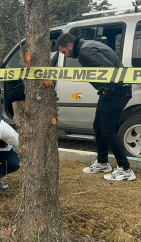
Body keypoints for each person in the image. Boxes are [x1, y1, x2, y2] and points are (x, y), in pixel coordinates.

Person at [56, 33, 136, 181]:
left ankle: (125, 169)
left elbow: (110, 70)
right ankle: (102, 162)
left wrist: (107, 89)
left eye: (63, 52)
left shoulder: (85, 52)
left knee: (107, 129)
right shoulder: (87, 46)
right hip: (115, 91)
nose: (65, 56)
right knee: (98, 126)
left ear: (70, 46)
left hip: (116, 91)